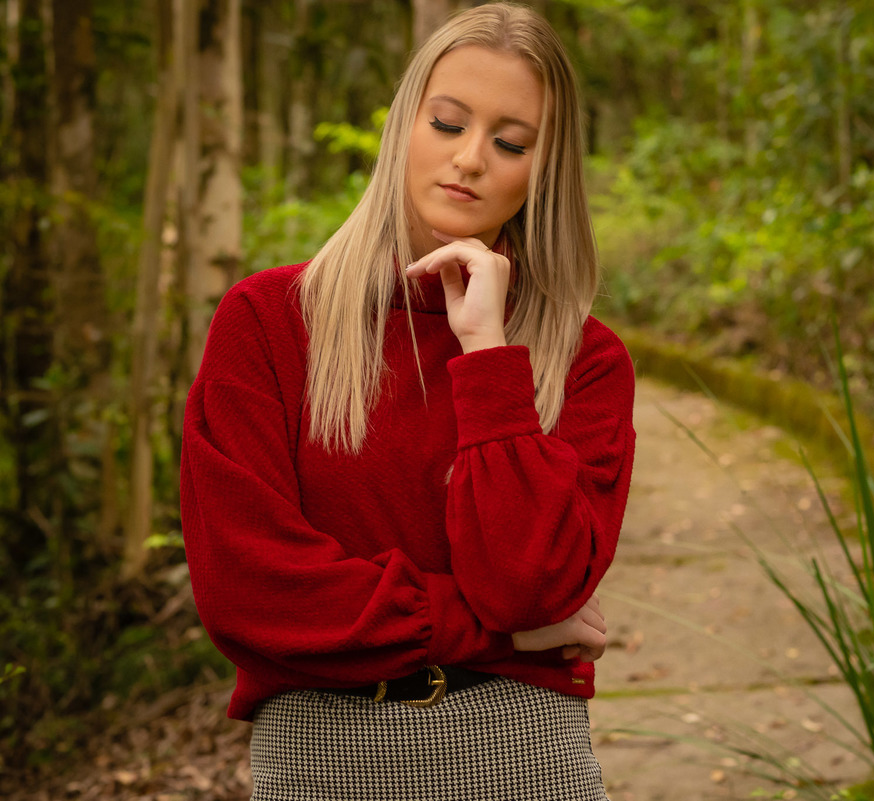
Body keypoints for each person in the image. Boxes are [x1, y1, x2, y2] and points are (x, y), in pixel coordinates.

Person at [179, 4, 636, 799]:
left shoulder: (587, 362)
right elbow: (247, 591)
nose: (469, 158)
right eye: (448, 122)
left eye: (511, 142)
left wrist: (488, 354)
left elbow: (530, 586)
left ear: (544, 170)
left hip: (523, 754)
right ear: (403, 127)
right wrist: (493, 630)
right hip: (317, 758)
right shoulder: (267, 324)